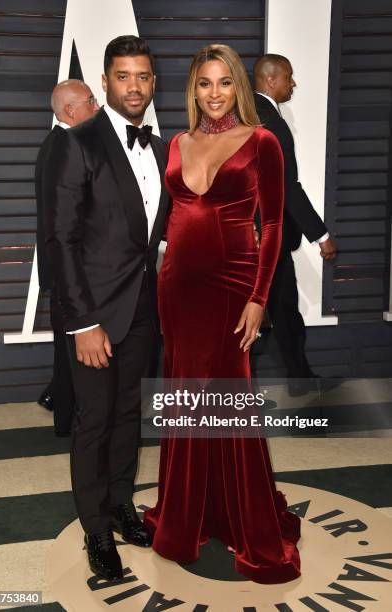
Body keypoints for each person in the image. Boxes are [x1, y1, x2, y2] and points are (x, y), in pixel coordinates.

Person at [144, 44, 301, 584]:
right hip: (178, 291)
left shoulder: (262, 142)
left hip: (235, 289)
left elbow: (275, 226)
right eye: (205, 84)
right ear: (194, 89)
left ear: (238, 86)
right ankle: (187, 516)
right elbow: (171, 219)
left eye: (224, 83)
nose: (214, 94)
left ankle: (248, 522)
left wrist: (259, 297)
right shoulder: (176, 143)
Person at [43, 36, 169, 581]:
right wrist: (84, 324)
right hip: (93, 315)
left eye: (142, 76)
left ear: (153, 82)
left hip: (143, 308)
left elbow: (153, 234)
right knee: (93, 423)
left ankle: (121, 505)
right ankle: (96, 530)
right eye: (123, 77)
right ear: (105, 81)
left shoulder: (164, 148)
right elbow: (60, 241)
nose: (134, 86)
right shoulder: (78, 142)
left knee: (125, 418)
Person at [253, 54, 337, 395]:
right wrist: (322, 235)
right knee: (278, 312)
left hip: (259, 237)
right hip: (266, 239)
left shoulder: (251, 113)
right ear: (271, 80)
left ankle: (299, 379)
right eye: (289, 76)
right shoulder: (269, 121)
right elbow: (287, 185)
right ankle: (297, 381)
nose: (294, 83)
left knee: (280, 312)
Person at [36, 79, 99, 434]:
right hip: (66, 267)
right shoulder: (65, 146)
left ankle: (63, 410)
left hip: (62, 266)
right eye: (92, 100)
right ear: (71, 110)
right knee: (70, 349)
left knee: (68, 348)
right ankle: (68, 420)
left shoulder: (57, 144)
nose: (98, 106)